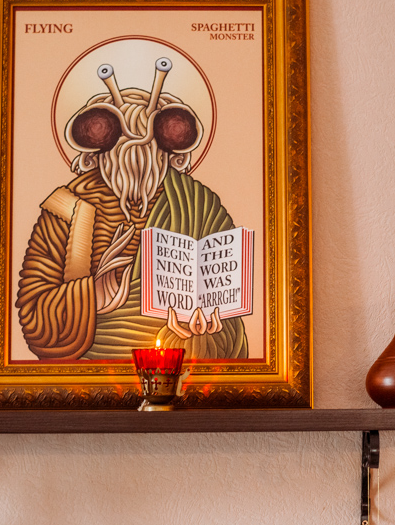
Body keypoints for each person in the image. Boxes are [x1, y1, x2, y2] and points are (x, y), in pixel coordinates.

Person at [16, 57, 248, 361]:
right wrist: (91, 296)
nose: (136, 150)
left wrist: (204, 326)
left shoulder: (199, 204)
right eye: (120, 137)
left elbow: (226, 304)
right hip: (89, 372)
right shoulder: (66, 207)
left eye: (150, 141)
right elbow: (33, 316)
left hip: (177, 368)